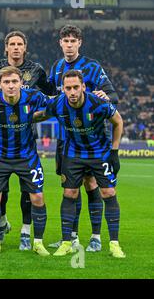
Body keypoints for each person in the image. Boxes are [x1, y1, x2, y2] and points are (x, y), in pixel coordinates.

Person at [34, 70, 125, 258]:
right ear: (63, 89)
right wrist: (23, 118)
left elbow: (118, 122)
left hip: (99, 154)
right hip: (73, 154)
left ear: (83, 87)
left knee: (108, 192)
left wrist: (114, 151)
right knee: (69, 193)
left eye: (76, 87)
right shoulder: (58, 103)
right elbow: (42, 115)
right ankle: (67, 241)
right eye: (68, 88)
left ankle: (114, 244)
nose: (72, 91)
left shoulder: (99, 104)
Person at [47, 25, 119, 252]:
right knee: (70, 188)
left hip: (93, 139)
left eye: (73, 40)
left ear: (79, 43)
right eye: (65, 40)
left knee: (91, 185)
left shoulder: (92, 67)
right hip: (66, 139)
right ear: (60, 43)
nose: (69, 44)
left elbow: (112, 96)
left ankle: (96, 236)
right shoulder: (56, 67)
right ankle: (72, 237)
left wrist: (104, 95)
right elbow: (50, 97)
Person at [0, 30, 55, 249]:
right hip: (0, 151)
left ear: (25, 47)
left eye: (19, 44)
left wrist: (37, 115)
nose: (15, 47)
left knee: (32, 194)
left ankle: (28, 234)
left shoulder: (36, 72)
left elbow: (54, 99)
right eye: (11, 43)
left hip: (26, 148)